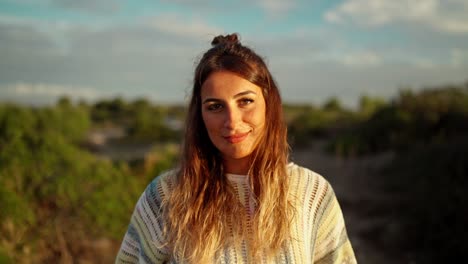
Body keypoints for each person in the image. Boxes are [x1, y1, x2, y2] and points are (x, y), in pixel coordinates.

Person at [115, 33, 356, 264]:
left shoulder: (312, 193)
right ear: (200, 115)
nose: (232, 121)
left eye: (246, 101)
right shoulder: (165, 196)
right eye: (215, 106)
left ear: (269, 105)